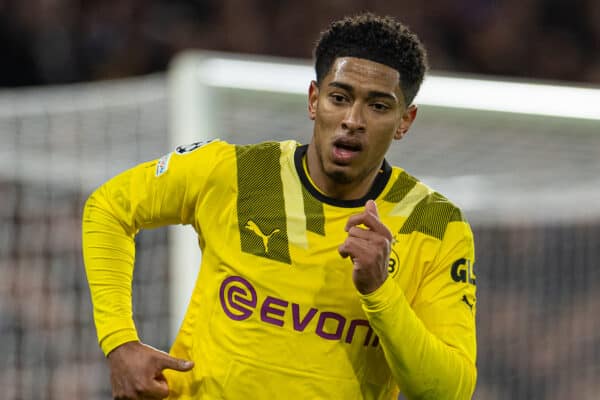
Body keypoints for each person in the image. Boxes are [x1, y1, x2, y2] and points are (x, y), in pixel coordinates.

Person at [82, 12, 477, 400]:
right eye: (339, 98)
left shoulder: (435, 224)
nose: (352, 120)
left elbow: (448, 391)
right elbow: (109, 208)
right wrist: (120, 342)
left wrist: (379, 292)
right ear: (313, 99)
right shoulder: (237, 173)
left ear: (404, 121)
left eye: (377, 106)